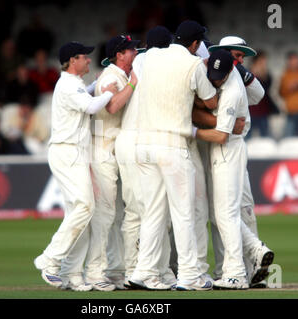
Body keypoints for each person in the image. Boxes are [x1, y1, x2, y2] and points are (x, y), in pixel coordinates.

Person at [130, 20, 217, 291]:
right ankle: (190, 275)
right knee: (183, 213)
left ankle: (143, 271)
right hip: (172, 146)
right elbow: (211, 101)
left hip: (143, 145)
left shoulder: (152, 55)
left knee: (154, 212)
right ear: (195, 44)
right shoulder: (192, 65)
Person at [33, 41, 117, 292]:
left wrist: (96, 86)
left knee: (79, 213)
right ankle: (49, 259)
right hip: (67, 151)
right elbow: (91, 106)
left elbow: (85, 97)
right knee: (85, 206)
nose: (89, 61)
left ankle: (71, 274)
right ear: (72, 61)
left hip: (74, 153)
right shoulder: (69, 85)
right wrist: (109, 92)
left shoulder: (73, 85)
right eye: (84, 57)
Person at [194, 49, 273, 290]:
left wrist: (190, 130)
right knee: (222, 213)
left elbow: (220, 136)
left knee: (226, 214)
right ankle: (255, 250)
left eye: (220, 76)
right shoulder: (224, 74)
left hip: (228, 150)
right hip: (225, 151)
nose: (215, 80)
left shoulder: (233, 91)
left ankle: (236, 274)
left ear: (231, 70)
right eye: (212, 74)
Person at [114, 26, 176, 289]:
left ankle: (154, 270)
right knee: (143, 212)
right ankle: (138, 270)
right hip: (136, 139)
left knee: (149, 210)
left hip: (141, 140)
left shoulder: (141, 61)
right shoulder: (153, 61)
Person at [84, 35, 139, 291]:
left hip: (112, 150)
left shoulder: (119, 75)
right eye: (131, 49)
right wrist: (134, 85)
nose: (136, 52)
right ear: (120, 54)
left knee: (116, 215)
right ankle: (95, 273)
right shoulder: (110, 77)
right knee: (105, 215)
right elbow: (113, 106)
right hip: (102, 150)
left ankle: (114, 270)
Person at [248, 50, 279, 138]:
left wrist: (263, 75)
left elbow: (267, 88)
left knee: (265, 137)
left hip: (263, 111)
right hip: (250, 111)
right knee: (247, 136)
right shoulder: (247, 72)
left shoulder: (266, 74)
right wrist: (254, 74)